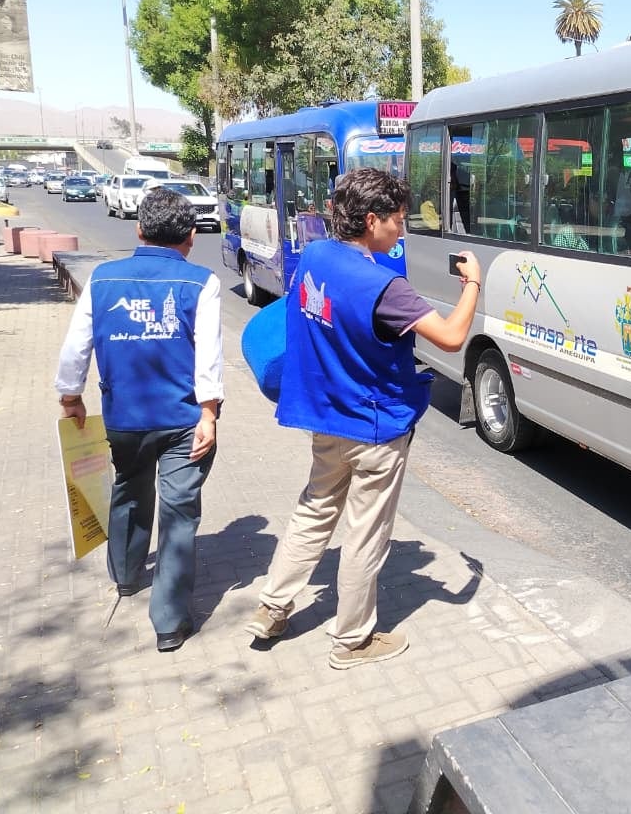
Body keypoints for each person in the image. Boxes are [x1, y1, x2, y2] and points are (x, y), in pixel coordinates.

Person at [245, 167, 482, 670]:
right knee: (365, 532)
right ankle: (352, 640)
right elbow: (452, 337)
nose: (401, 229)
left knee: (313, 510)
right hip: (373, 427)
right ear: (371, 220)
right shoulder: (384, 287)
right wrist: (473, 284)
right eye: (397, 220)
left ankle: (272, 606)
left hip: (324, 416)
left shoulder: (313, 256)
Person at [54, 188, 223, 653]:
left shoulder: (103, 279)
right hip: (184, 420)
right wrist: (209, 413)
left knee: (128, 489)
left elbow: (76, 349)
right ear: (191, 236)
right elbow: (208, 357)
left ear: (138, 230)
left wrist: (71, 399)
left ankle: (126, 576)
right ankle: (169, 622)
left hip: (122, 418)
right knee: (180, 511)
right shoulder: (201, 283)